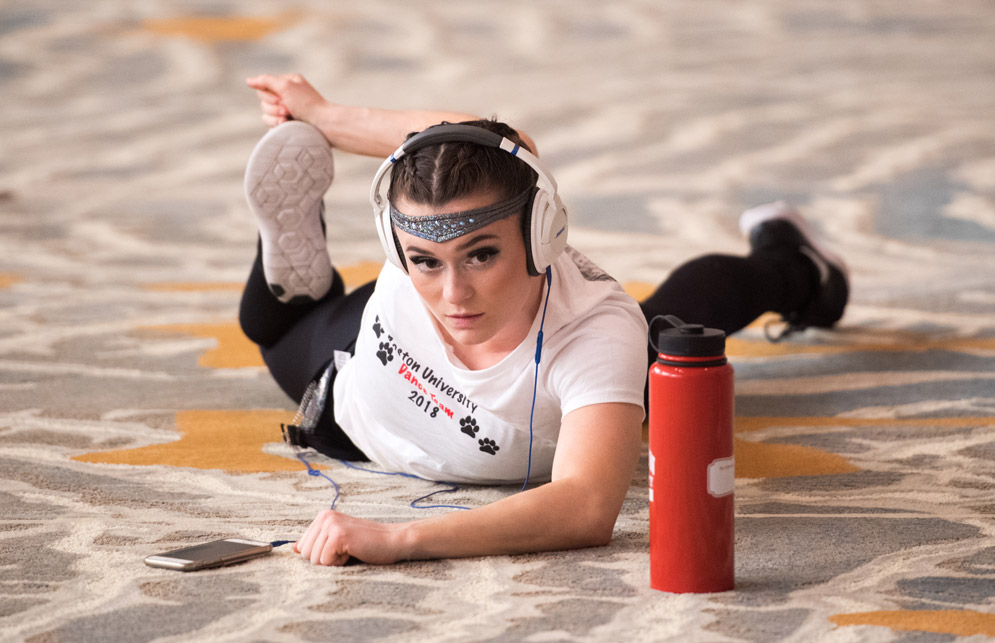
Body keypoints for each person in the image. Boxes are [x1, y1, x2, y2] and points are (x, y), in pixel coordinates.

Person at [239, 73, 849, 566]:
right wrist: (318, 116)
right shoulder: (422, 252)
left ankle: (794, 265)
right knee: (268, 326)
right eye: (424, 261)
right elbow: (454, 142)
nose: (453, 294)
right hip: (354, 390)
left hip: (527, 356)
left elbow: (585, 507)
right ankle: (298, 253)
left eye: (482, 254)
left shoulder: (597, 333)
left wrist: (400, 540)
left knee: (670, 336)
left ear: (541, 233)